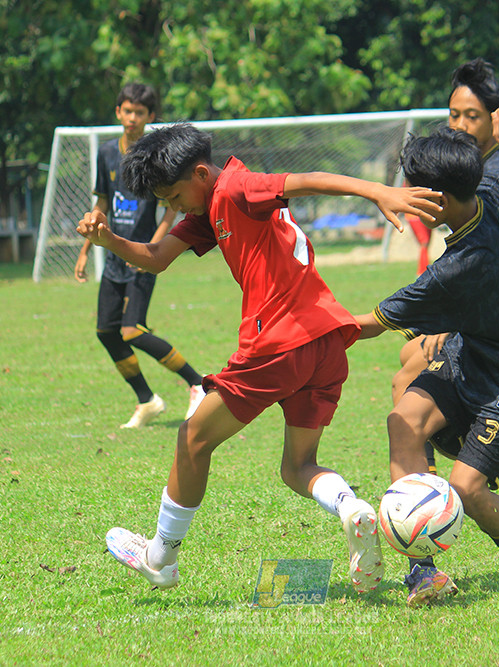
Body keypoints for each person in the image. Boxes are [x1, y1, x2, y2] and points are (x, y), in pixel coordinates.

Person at [76, 122, 443, 593]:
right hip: (325, 343)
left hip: (277, 344)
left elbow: (305, 180)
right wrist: (108, 241)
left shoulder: (237, 187)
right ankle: (352, 507)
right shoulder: (210, 204)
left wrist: (377, 192)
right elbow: (155, 256)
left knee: (193, 438)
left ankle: (160, 558)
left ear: (202, 173)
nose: (171, 208)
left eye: (171, 197)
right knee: (297, 467)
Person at [355, 109, 499, 606]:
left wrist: (309, 331)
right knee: (404, 418)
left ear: (434, 199)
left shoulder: (458, 267)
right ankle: (423, 570)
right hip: (471, 352)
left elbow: (368, 324)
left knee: (469, 489)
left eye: (410, 189)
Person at [395, 57, 499, 474]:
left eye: (472, 116)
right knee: (407, 355)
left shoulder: (495, 176)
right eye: (453, 114)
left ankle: (433, 490)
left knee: (406, 384)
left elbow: (491, 263)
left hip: (497, 325)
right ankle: (439, 477)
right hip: (480, 310)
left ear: (495, 121)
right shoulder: (469, 168)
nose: (460, 125)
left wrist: (449, 323)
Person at [75, 83, 205, 429]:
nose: (132, 118)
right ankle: (147, 400)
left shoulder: (157, 157)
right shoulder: (106, 154)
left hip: (143, 256)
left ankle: (198, 383)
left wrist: (154, 249)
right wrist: (86, 249)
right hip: (114, 256)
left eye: (140, 113)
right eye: (127, 111)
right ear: (118, 112)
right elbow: (102, 203)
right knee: (106, 331)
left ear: (150, 117)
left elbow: (168, 211)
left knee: (131, 330)